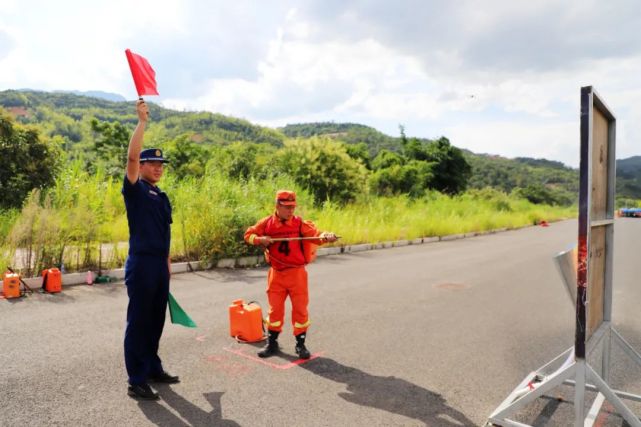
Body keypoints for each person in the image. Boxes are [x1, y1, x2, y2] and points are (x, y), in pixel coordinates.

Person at [122, 99, 178, 401]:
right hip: (142, 264)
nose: (158, 168)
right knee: (139, 320)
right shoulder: (136, 189)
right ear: (141, 166)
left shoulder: (161, 194)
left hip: (159, 265)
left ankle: (153, 367)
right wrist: (142, 123)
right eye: (152, 164)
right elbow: (130, 159)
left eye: (161, 165)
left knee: (156, 319)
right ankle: (136, 378)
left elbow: (165, 232)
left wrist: (167, 264)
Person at [244, 190, 338, 359]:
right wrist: (260, 240)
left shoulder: (299, 224)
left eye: (293, 207)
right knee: (275, 311)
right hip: (276, 274)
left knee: (300, 310)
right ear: (277, 206)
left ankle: (300, 345)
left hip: (297, 274)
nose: (291, 210)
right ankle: (272, 344)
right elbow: (248, 235)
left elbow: (316, 236)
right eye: (287, 207)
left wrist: (326, 236)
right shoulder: (267, 223)